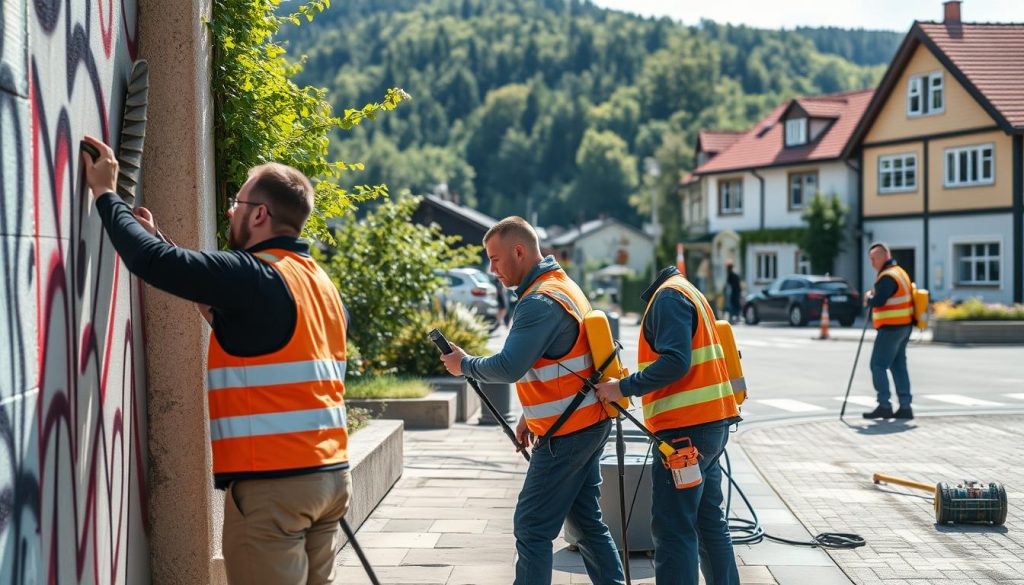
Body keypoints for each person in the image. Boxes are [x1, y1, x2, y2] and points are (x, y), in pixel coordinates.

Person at [80, 136, 351, 585]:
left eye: (238, 202)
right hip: (329, 480)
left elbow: (152, 264)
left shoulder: (255, 274)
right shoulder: (319, 284)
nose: (230, 211)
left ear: (260, 214)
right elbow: (237, 317)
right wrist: (163, 240)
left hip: (273, 488)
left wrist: (107, 194)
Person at [439, 217, 625, 585]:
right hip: (588, 420)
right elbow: (560, 361)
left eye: (494, 259)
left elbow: (508, 367)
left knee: (531, 526)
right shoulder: (563, 286)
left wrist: (464, 365)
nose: (491, 270)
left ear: (519, 251)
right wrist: (529, 414)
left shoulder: (538, 302)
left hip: (568, 433)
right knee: (586, 522)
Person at [595, 265, 742, 585]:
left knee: (674, 528)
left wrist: (622, 387)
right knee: (709, 524)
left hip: (683, 435)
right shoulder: (689, 292)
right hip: (710, 427)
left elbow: (676, 361)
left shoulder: (667, 299)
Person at [862, 243, 914, 420]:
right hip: (904, 326)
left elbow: (879, 301)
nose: (871, 263)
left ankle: (884, 404)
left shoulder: (888, 276)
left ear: (884, 256)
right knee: (898, 366)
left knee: (877, 365)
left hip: (891, 328)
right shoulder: (900, 272)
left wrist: (869, 298)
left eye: (873, 258)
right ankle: (905, 407)